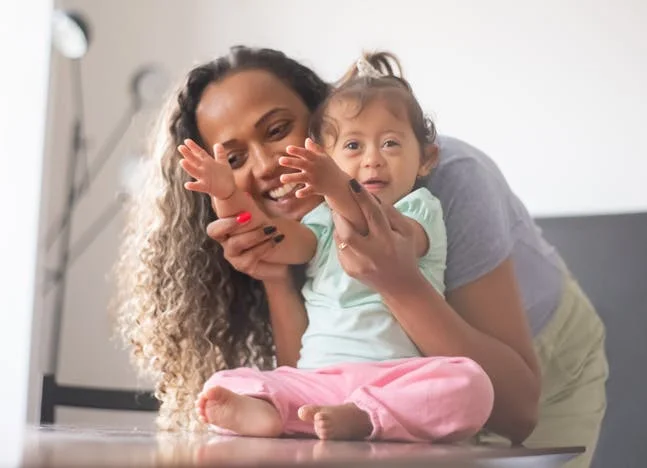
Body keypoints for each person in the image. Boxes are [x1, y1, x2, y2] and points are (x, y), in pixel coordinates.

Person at [115, 46, 607, 467]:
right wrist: (276, 277)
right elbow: (312, 378)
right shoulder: (305, 226)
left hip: (533, 360)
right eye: (235, 159)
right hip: (385, 386)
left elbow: (517, 412)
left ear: (322, 120)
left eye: (277, 129)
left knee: (464, 392)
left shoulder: (438, 181)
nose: (264, 167)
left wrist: (399, 282)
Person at [176, 54, 494, 442]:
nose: (372, 160)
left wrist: (334, 186)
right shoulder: (319, 221)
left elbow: (376, 234)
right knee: (228, 381)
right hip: (319, 379)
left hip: (395, 379)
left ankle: (366, 416)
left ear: (426, 159)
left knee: (470, 383)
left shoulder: (419, 210)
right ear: (331, 154)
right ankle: (268, 413)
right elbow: (262, 234)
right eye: (354, 146)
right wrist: (225, 192)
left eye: (390, 144)